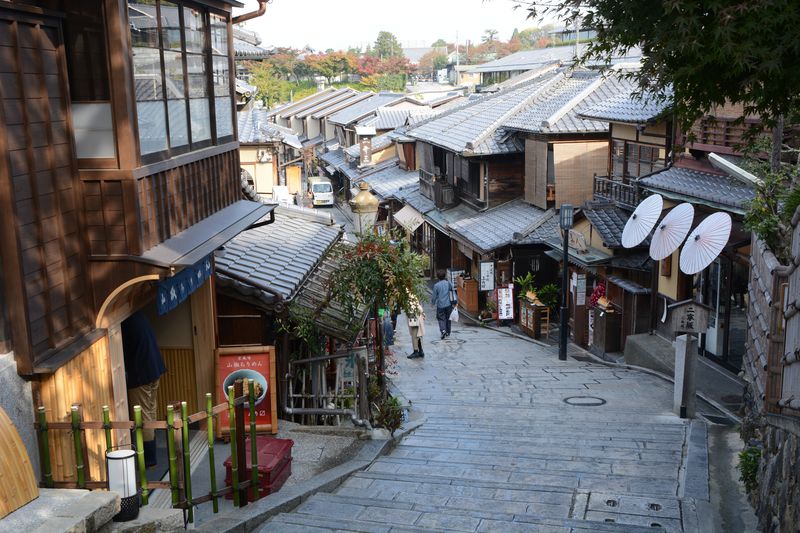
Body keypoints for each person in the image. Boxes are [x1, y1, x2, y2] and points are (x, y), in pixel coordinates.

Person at [122, 310, 166, 468]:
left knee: (143, 416)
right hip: (154, 369)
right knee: (150, 410)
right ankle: (150, 455)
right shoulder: (138, 315)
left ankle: (148, 458)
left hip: (141, 375)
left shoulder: (124, 323)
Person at [431, 269, 454, 339]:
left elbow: (434, 296)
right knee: (448, 318)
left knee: (441, 318)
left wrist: (433, 303)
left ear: (438, 277)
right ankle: (448, 332)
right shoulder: (448, 283)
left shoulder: (436, 286)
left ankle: (443, 330)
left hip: (440, 305)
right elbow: (452, 293)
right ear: (445, 276)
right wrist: (455, 302)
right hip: (448, 304)